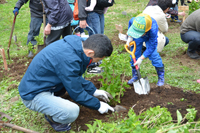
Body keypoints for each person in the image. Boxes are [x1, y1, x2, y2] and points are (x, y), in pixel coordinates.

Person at [18, 34, 114, 132]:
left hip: (45, 84)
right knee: (71, 111)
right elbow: (77, 93)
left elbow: (73, 77)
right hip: (33, 93)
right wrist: (98, 105)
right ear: (90, 53)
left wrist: (93, 91)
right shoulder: (69, 59)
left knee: (67, 88)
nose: (96, 62)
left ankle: (52, 103)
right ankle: (54, 119)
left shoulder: (77, 45)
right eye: (98, 60)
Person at [126, 13, 165, 86]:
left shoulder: (153, 29)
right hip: (138, 34)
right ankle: (135, 75)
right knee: (134, 54)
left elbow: (152, 47)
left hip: (149, 37)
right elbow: (130, 25)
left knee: (154, 55)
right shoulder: (134, 21)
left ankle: (161, 77)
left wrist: (141, 58)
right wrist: (130, 36)